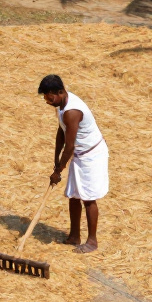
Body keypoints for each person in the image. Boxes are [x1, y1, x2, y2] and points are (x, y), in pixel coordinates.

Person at [40, 74, 107, 253]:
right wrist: (56, 161)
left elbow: (69, 146)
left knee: (88, 198)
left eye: (48, 96)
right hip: (79, 154)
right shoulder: (61, 106)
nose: (46, 100)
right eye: (45, 97)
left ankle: (92, 242)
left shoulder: (72, 111)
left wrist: (59, 171)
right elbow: (61, 132)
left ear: (59, 92)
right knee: (74, 196)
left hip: (91, 156)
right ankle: (74, 236)